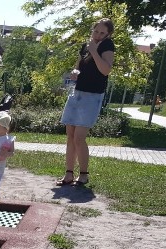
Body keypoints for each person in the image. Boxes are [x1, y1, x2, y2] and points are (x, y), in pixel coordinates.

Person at [56, 17, 115, 187]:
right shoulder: (85, 46)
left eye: (102, 33)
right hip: (77, 93)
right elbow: (78, 66)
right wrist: (74, 72)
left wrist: (94, 51)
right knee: (70, 135)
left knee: (79, 138)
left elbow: (105, 70)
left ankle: (83, 174)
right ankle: (68, 174)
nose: (98, 35)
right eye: (96, 31)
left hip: (92, 96)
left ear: (108, 34)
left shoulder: (107, 46)